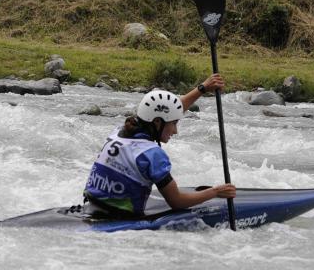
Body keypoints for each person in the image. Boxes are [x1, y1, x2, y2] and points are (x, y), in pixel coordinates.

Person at [83, 73, 236, 218]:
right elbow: (177, 202)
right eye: (174, 124)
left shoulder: (120, 131)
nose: (175, 131)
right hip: (119, 218)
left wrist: (202, 89)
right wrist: (215, 192)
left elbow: (171, 110)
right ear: (157, 122)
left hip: (93, 205)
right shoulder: (151, 154)